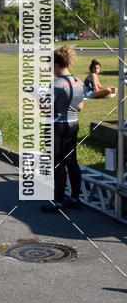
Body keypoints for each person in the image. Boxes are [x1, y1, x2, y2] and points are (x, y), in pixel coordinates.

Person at [41, 46, 85, 213]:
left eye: (50, 66)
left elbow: (45, 109)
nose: (49, 69)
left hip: (56, 126)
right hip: (73, 124)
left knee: (57, 164)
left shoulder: (56, 85)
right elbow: (80, 107)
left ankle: (58, 202)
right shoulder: (79, 81)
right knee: (72, 162)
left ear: (57, 64)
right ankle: (75, 198)